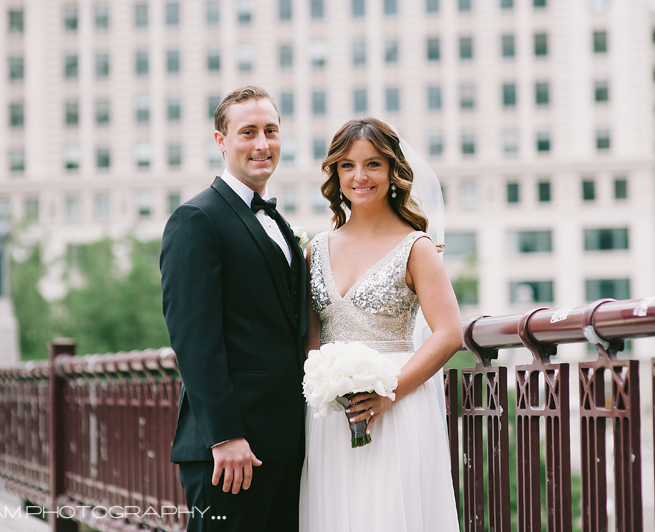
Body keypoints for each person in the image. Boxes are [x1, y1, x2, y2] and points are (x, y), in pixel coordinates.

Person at [299, 117, 463, 531]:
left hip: (398, 407)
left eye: (373, 164)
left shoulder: (416, 247)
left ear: (392, 171)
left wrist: (391, 393)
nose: (360, 176)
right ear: (335, 173)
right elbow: (311, 339)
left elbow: (449, 334)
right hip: (331, 417)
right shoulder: (315, 249)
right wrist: (324, 384)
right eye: (348, 165)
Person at [160, 86, 307, 532]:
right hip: (231, 451)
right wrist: (225, 436)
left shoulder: (277, 221)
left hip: (284, 441)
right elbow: (193, 339)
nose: (262, 144)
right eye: (248, 132)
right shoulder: (196, 219)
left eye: (271, 131)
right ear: (221, 141)